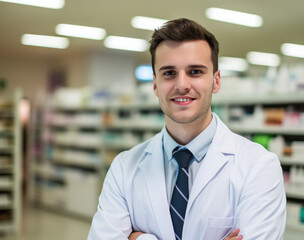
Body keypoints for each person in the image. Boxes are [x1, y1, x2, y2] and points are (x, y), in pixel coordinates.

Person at [88, 18, 286, 240]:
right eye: (169, 73)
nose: (182, 85)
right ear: (155, 84)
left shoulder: (258, 167)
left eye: (195, 71)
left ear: (216, 81)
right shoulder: (124, 168)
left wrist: (139, 238)